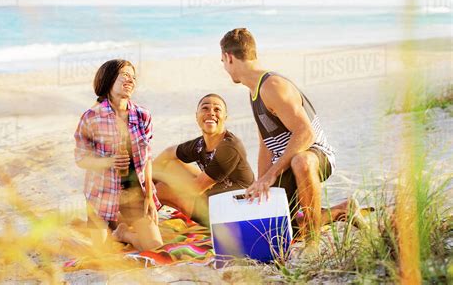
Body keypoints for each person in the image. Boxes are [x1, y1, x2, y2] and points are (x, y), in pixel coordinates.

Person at [219, 28, 364, 252]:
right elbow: (265, 146)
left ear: (229, 57)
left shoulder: (272, 86)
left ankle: (313, 244)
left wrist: (271, 174)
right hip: (286, 161)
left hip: (315, 153)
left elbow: (305, 133)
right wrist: (260, 183)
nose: (224, 68)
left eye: (223, 61)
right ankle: (343, 210)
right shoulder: (254, 91)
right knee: (277, 227)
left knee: (301, 162)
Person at [74, 59, 163, 251]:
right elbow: (81, 159)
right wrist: (109, 161)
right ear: (108, 79)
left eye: (133, 77)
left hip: (134, 191)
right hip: (102, 194)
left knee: (154, 246)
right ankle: (114, 225)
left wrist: (149, 195)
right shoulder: (91, 117)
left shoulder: (142, 115)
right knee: (102, 253)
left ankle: (123, 233)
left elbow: (147, 158)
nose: (130, 80)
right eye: (124, 75)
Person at [152, 93, 255, 227]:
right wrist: (146, 177)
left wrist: (155, 178)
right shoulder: (201, 144)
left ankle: (183, 220)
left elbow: (194, 189)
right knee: (171, 164)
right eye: (205, 108)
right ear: (197, 116)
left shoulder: (229, 148)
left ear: (225, 118)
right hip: (213, 194)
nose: (211, 113)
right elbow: (169, 153)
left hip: (236, 212)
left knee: (161, 189)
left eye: (217, 109)